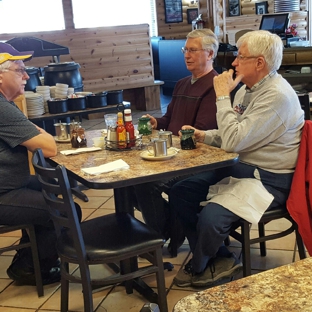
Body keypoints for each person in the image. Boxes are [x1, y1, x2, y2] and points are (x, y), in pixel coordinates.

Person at [169, 30, 304, 287]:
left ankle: (200, 265)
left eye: (240, 57)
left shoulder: (277, 96)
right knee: (181, 191)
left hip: (270, 180)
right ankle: (221, 258)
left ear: (259, 63)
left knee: (211, 217)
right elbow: (234, 133)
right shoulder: (247, 89)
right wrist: (205, 135)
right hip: (243, 168)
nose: (233, 63)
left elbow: (235, 141)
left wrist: (221, 96)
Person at [132, 29, 219, 246]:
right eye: (185, 50)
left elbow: (200, 131)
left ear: (210, 54)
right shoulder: (181, 83)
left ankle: (158, 235)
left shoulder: (216, 86)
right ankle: (173, 225)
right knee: (128, 180)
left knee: (145, 184)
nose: (186, 55)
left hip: (195, 162)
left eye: (193, 50)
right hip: (171, 155)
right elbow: (169, 118)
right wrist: (156, 123)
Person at [0, 43, 65, 286]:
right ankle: (31, 268)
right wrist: (38, 134)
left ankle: (30, 257)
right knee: (62, 208)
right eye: (19, 70)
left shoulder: (5, 104)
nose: (27, 76)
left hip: (9, 183)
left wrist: (36, 134)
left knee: (54, 186)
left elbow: (39, 138)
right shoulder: (1, 108)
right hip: (4, 191)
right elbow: (49, 147)